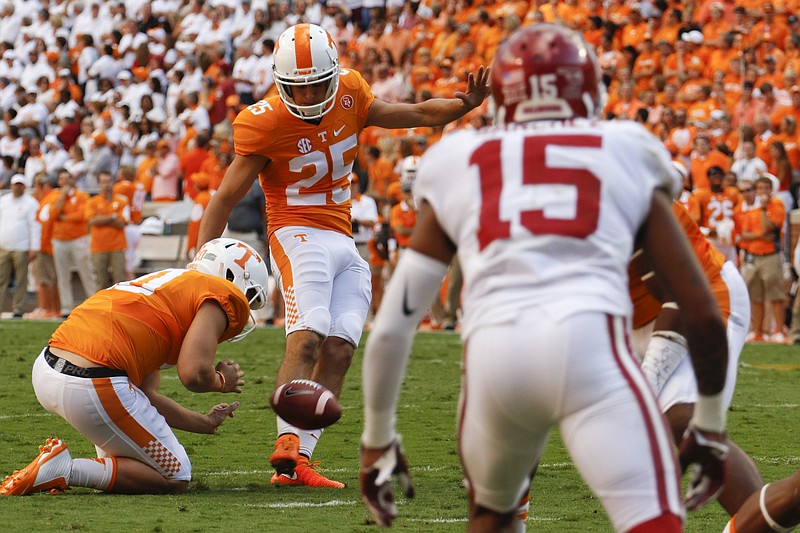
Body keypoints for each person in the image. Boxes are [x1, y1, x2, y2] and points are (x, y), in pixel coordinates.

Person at [360, 24, 730, 532]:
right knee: (653, 520)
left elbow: (393, 327)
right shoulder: (623, 148)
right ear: (586, 91)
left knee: (493, 516)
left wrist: (377, 436)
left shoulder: (459, 158)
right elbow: (703, 311)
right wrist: (709, 426)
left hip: (495, 361)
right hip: (590, 353)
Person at [197, 22, 490, 488]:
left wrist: (463, 105)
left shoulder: (351, 93)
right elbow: (223, 199)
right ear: (280, 81)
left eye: (318, 85)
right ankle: (285, 445)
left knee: (339, 349)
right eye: (300, 87)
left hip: (342, 236)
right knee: (308, 336)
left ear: (334, 75)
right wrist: (201, 267)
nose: (310, 96)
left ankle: (299, 462)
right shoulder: (266, 121)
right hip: (296, 231)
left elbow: (413, 111)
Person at [0, 238, 269, 496]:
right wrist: (221, 380)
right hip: (94, 382)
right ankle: (66, 469)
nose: (244, 307)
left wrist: (206, 423)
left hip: (49, 369)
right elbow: (193, 373)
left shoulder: (163, 288)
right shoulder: (222, 293)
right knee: (175, 475)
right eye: (248, 297)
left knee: (133, 456)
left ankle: (86, 466)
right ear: (233, 278)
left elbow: (145, 396)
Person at [630, 200, 763, 517]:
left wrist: (647, 383)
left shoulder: (627, 197)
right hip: (633, 316)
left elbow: (677, 295)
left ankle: (761, 522)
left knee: (683, 418)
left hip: (704, 293)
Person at [740, 176, 787, 343]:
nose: (763, 192)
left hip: (770, 254)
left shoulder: (776, 206)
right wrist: (760, 235)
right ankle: (758, 331)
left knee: (775, 293)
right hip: (753, 255)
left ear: (770, 190)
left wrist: (763, 209)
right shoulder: (750, 210)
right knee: (756, 295)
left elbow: (770, 227)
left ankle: (778, 330)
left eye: (765, 188)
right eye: (759, 188)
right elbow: (744, 234)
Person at [51, 168, 96, 317]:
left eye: (67, 178)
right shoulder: (54, 196)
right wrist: (61, 198)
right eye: (62, 179)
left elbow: (81, 216)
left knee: (87, 272)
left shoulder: (81, 195)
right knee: (63, 275)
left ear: (72, 180)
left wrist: (64, 217)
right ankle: (66, 307)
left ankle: (94, 304)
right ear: (58, 182)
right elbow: (53, 215)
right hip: (59, 240)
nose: (65, 181)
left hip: (78, 238)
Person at [0, 174, 40, 318]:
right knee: (1, 279)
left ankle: (18, 309)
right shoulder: (3, 201)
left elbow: (35, 226)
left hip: (22, 247)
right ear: (11, 185)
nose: (17, 187)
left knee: (21, 279)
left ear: (24, 186)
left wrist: (34, 247)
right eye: (15, 184)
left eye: (20, 184)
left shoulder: (31, 202)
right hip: (4, 246)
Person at [85, 171, 130, 292]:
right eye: (103, 182)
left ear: (113, 182)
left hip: (117, 246)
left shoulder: (122, 201)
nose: (106, 185)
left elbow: (122, 223)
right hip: (98, 246)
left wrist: (101, 218)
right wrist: (112, 217)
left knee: (120, 282)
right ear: (99, 184)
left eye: (109, 181)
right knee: (101, 281)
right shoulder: (92, 201)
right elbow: (92, 221)